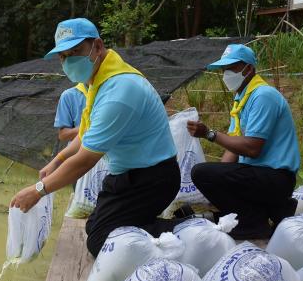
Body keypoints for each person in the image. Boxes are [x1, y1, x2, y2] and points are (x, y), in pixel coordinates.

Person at [10, 18, 180, 257]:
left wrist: (38, 190)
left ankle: (188, 230)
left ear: (97, 47)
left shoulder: (120, 91)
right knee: (94, 226)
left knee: (101, 240)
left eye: (76, 51)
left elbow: (85, 160)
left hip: (152, 179)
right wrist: (56, 161)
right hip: (127, 175)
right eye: (63, 56)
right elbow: (85, 134)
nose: (69, 61)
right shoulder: (98, 83)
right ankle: (147, 226)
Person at [187, 44, 300, 239]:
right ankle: (268, 211)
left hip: (275, 177)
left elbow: (252, 148)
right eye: (224, 70)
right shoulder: (242, 99)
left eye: (231, 68)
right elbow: (234, 145)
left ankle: (252, 223)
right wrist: (218, 178)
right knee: (206, 174)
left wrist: (210, 134)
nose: (226, 74)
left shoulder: (263, 96)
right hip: (258, 176)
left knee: (202, 172)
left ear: (248, 68)